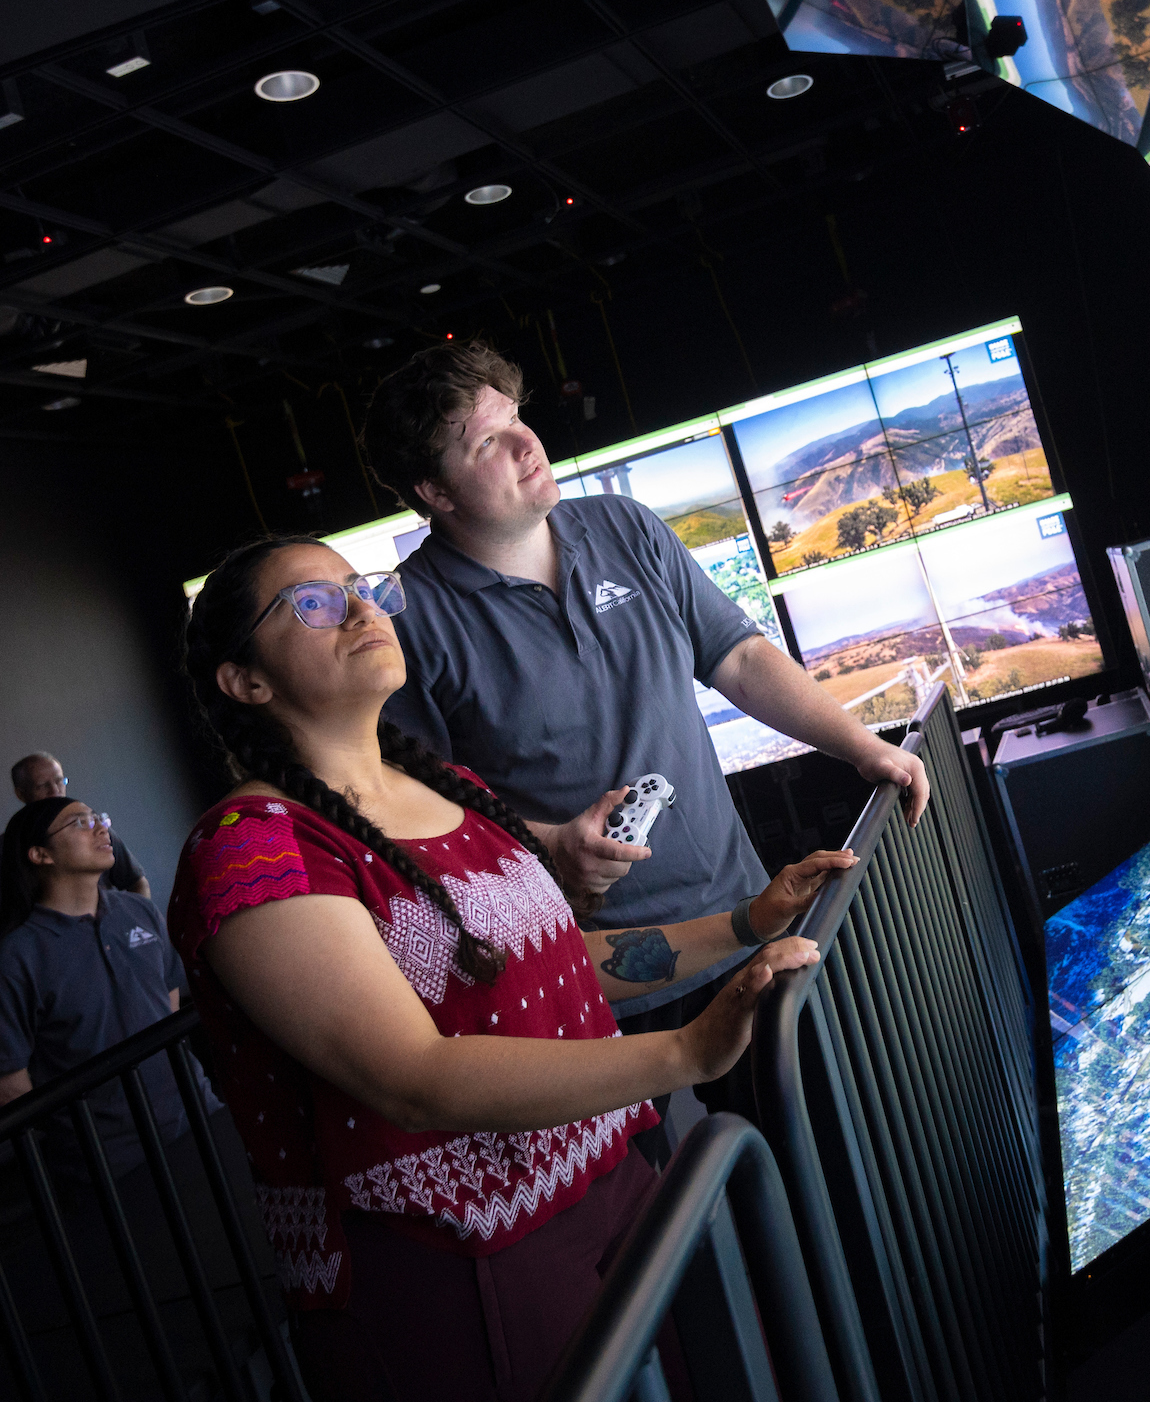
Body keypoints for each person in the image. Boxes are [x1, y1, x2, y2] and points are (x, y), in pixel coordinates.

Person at [171, 535, 853, 1397]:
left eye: (364, 587)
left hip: (611, 1181)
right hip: (456, 1254)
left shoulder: (450, 786)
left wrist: (746, 924)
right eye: (313, 603)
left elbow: (562, 968)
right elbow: (412, 1077)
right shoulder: (254, 853)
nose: (362, 608)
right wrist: (685, 1052)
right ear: (246, 680)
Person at [360, 341, 925, 1121]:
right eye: (486, 441)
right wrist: (550, 842)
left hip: (743, 924)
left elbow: (740, 658)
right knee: (680, 1221)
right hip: (593, 984)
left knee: (819, 1171)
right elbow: (421, 814)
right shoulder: (409, 621)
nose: (528, 444)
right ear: (434, 490)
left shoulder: (624, 528)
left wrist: (863, 747)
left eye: (518, 420)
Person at [0, 796, 212, 1176]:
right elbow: (8, 1090)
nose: (102, 829)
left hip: (198, 1112)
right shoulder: (12, 958)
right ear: (40, 855)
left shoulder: (141, 911)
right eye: (80, 823)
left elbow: (167, 1002)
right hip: (111, 1160)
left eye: (99, 818)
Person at [0, 752, 149, 933]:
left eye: (60, 781)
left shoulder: (97, 830)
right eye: (42, 786)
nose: (55, 791)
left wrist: (137, 929)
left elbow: (137, 882)